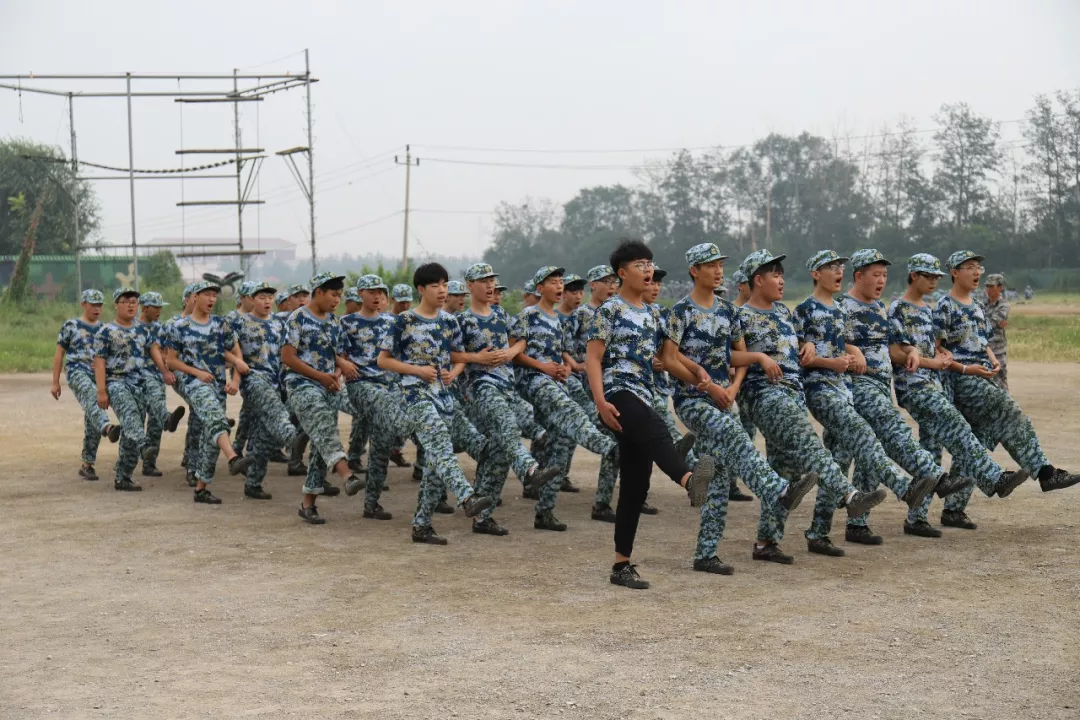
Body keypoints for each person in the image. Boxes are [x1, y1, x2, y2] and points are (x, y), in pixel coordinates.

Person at [668, 243, 817, 576]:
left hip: (723, 397)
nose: (718, 270)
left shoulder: (727, 311)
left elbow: (736, 356)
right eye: (710, 265)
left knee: (718, 476)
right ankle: (777, 489)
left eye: (721, 265)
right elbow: (668, 358)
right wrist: (706, 384)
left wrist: (734, 387)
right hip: (693, 399)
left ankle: (706, 554)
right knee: (736, 435)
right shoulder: (681, 311)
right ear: (694, 270)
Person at [733, 250, 887, 565]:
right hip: (764, 395)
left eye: (782, 274)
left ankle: (766, 542)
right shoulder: (740, 317)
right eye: (774, 275)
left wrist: (808, 346)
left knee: (785, 470)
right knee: (810, 445)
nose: (781, 280)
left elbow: (804, 347)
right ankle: (849, 494)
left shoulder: (785, 314)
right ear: (758, 280)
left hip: (792, 396)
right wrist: (758, 358)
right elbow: (729, 358)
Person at [586, 239, 714, 590]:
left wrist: (698, 374)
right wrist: (599, 400)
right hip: (617, 392)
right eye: (640, 265)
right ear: (621, 273)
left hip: (642, 391)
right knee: (659, 429)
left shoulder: (655, 314)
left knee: (635, 483)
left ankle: (621, 565)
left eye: (650, 264)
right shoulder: (609, 311)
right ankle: (689, 480)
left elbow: (670, 357)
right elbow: (593, 358)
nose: (647, 271)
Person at [794, 250, 940, 556]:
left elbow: (846, 343)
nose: (837, 271)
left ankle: (821, 531)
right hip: (824, 389)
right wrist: (827, 359)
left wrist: (853, 352)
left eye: (839, 267)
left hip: (845, 391)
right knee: (864, 438)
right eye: (830, 267)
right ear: (815, 274)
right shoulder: (805, 309)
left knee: (838, 461)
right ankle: (904, 488)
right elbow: (796, 350)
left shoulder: (838, 311)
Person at [887, 253, 1021, 533]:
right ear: (914, 276)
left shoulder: (926, 309)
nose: (935, 281)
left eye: (937, 276)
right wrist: (930, 361)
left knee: (931, 450)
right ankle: (993, 477)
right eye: (929, 276)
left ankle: (917, 518)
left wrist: (942, 355)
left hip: (935, 385)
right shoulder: (899, 308)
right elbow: (896, 353)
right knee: (958, 428)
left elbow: (932, 347)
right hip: (915, 387)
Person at [935, 251, 1079, 510]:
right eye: (969, 267)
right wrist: (968, 369)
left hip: (984, 376)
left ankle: (954, 509)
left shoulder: (977, 306)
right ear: (954, 272)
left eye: (978, 267)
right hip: (962, 379)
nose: (977, 272)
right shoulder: (945, 305)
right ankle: (1045, 472)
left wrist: (992, 359)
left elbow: (984, 340)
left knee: (976, 439)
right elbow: (937, 350)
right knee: (1010, 411)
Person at [377, 263, 495, 544]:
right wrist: (417, 370)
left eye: (445, 285)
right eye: (435, 286)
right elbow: (383, 359)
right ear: (421, 289)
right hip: (413, 396)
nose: (442, 291)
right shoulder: (403, 321)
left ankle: (421, 525)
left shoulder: (449, 322)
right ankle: (467, 496)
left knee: (435, 462)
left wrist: (466, 364)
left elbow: (455, 355)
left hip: (442, 396)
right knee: (440, 444)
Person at [452, 262, 561, 535]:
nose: (490, 285)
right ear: (469, 286)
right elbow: (452, 354)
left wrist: (510, 354)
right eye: (483, 281)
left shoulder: (501, 314)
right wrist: (478, 357)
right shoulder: (462, 321)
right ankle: (530, 469)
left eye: (492, 280)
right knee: (507, 427)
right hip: (480, 387)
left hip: (507, 386)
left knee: (498, 453)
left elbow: (521, 340)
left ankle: (482, 516)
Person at [512, 265, 619, 532]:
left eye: (561, 281)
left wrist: (566, 367)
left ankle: (544, 512)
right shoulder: (528, 315)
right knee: (569, 409)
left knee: (560, 445)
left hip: (554, 379)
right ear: (540, 288)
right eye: (553, 282)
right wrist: (544, 367)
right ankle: (606, 447)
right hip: (532, 381)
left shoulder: (560, 321)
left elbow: (563, 353)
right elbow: (517, 354)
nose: (559, 287)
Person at [282, 272, 366, 523]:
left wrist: (337, 374)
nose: (337, 299)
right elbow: (288, 358)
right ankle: (346, 474)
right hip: (301, 384)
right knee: (324, 429)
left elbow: (338, 356)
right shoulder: (298, 318)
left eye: (340, 295)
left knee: (320, 444)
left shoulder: (333, 322)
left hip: (327, 385)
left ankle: (308, 504)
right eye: (333, 294)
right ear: (318, 292)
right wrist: (320, 376)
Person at [163, 281, 252, 503]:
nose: (212, 299)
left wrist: (236, 377)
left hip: (217, 383)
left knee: (210, 437)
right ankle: (232, 457)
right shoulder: (179, 326)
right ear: (195, 297)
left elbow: (233, 352)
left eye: (214, 295)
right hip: (194, 382)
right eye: (207, 295)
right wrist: (197, 373)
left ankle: (201, 488)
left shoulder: (220, 325)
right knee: (215, 419)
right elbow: (171, 361)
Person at [339, 274, 407, 520]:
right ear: (360, 294)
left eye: (380, 291)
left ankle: (371, 503)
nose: (377, 295)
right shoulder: (347, 323)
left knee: (381, 444)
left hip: (389, 385)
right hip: (362, 385)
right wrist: (343, 366)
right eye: (371, 291)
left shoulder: (393, 321)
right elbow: (337, 353)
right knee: (396, 417)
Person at [231, 281, 307, 500]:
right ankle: (292, 438)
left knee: (263, 434)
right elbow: (226, 350)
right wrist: (238, 366)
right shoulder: (239, 322)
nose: (266, 301)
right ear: (251, 299)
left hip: (276, 380)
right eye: (261, 297)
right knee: (275, 411)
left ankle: (253, 482)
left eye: (270, 297)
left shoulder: (279, 323)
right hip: (252, 379)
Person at [51, 289, 121, 481]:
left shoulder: (105, 329)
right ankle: (107, 427)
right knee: (92, 396)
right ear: (84, 304)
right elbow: (59, 354)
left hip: (97, 374)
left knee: (92, 414)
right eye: (93, 305)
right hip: (77, 371)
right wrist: (55, 382)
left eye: (99, 305)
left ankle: (87, 464)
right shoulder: (71, 326)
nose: (97, 309)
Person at [136, 292, 186, 477]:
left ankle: (149, 463)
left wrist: (168, 367)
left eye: (160, 307)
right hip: (137, 377)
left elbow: (165, 351)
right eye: (155, 307)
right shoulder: (134, 327)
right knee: (137, 419)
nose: (159, 310)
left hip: (156, 376)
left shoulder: (160, 328)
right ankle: (127, 463)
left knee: (155, 422)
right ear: (145, 307)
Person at [725, 269, 756, 503]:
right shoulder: (731, 312)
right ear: (740, 286)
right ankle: (726, 483)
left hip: (751, 382)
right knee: (732, 432)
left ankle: (732, 482)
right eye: (748, 282)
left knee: (748, 431)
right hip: (729, 382)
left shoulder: (757, 311)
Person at [982, 273, 1010, 392]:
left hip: (998, 349)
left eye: (991, 286)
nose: (988, 290)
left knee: (1000, 380)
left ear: (1000, 287)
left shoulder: (1003, 305)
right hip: (984, 349)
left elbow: (993, 322)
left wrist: (984, 321)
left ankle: (1007, 406)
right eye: (987, 286)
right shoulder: (982, 304)